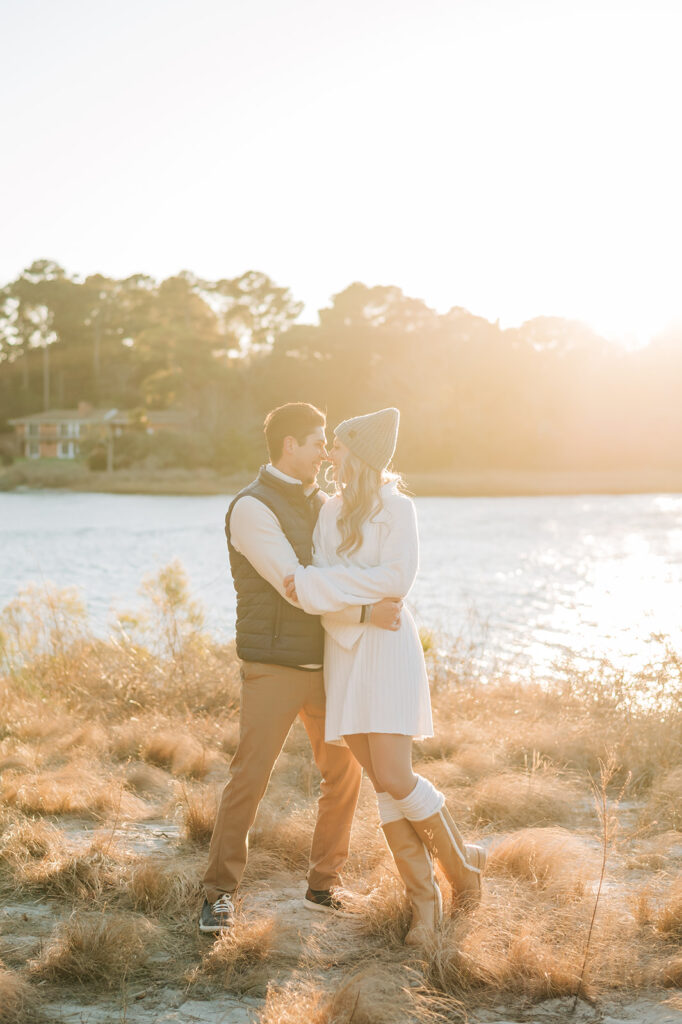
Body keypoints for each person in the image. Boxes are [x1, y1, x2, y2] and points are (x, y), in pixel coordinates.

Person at [284, 407, 486, 945]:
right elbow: (313, 593)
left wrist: (331, 585)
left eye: (341, 447)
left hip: (390, 648)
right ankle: (438, 889)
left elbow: (397, 579)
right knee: (383, 783)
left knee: (395, 776)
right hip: (346, 650)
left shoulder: (399, 508)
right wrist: (354, 597)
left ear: (364, 455)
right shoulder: (330, 511)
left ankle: (452, 883)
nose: (331, 455)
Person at [199, 402, 402, 934]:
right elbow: (295, 585)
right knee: (250, 776)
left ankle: (323, 886)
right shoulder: (251, 508)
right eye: (317, 443)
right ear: (290, 445)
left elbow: (346, 568)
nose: (325, 453)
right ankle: (218, 893)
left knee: (343, 774)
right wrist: (363, 611)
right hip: (274, 666)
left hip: (330, 663)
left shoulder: (329, 504)